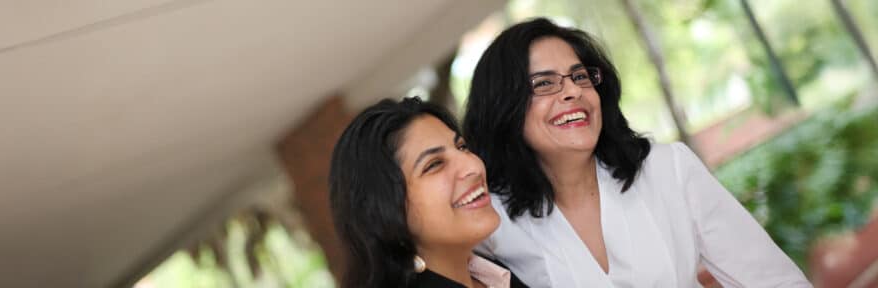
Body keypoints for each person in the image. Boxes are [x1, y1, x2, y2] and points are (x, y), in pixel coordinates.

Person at [462, 17, 810, 287]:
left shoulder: (668, 168)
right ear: (504, 107)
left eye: (580, 76)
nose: (573, 91)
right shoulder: (492, 224)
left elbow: (773, 280)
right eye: (544, 83)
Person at [329, 97, 528, 288]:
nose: (473, 166)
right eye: (434, 164)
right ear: (384, 208)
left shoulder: (496, 274)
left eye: (462, 147)